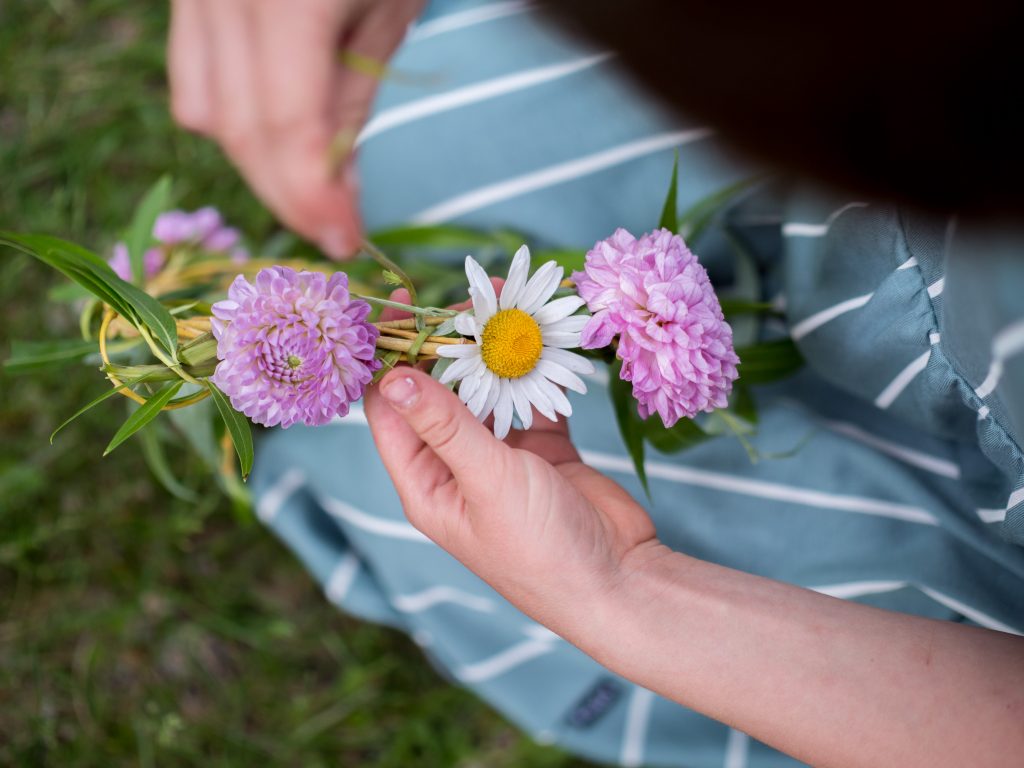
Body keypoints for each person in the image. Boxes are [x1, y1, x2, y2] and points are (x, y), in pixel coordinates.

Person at [168, 1, 1024, 766]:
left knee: (386, 484)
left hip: (964, 583)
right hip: (863, 197)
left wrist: (619, 591)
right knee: (398, 126)